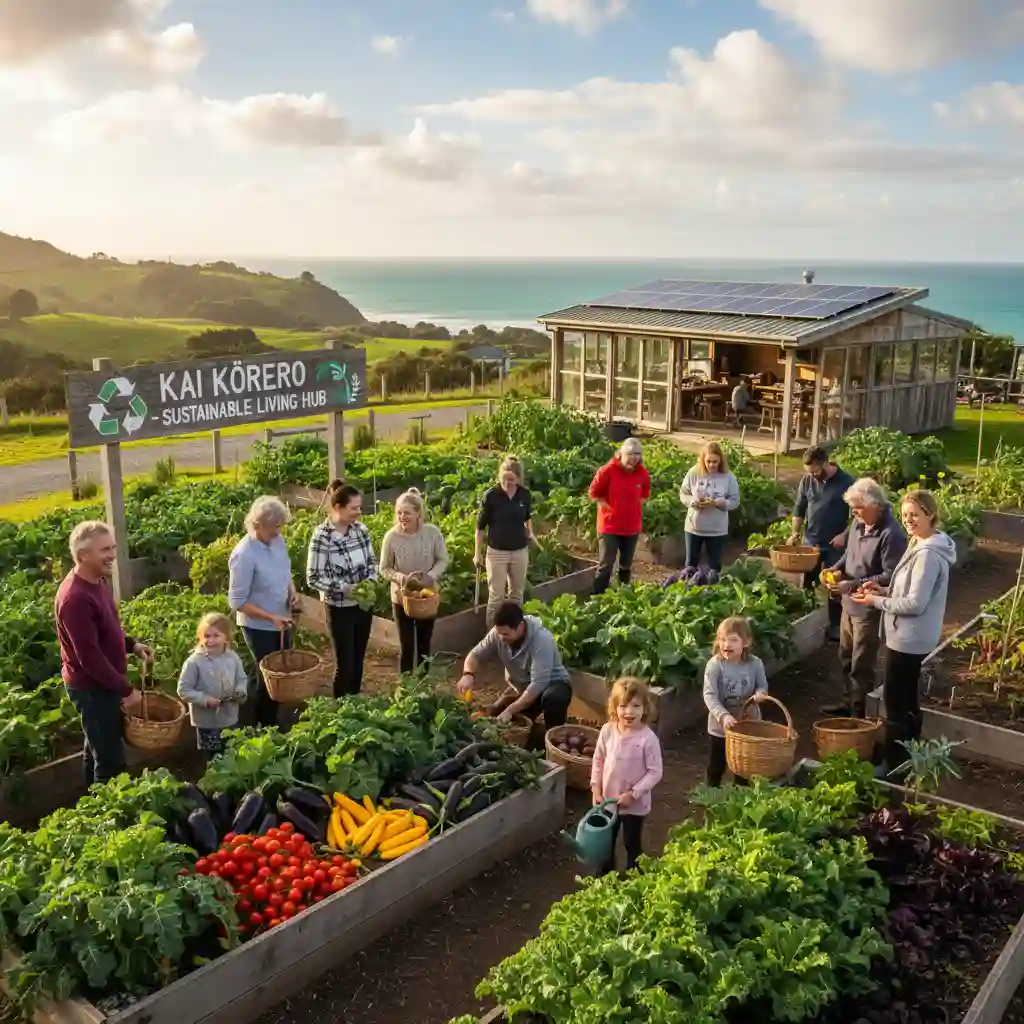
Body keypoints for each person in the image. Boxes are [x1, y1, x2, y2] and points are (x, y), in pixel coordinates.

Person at [852, 489, 956, 772]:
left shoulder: (928, 555)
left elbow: (915, 603)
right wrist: (884, 589)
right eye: (905, 515)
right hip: (910, 635)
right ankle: (911, 754)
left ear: (930, 515)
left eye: (915, 515)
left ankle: (894, 763)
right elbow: (909, 590)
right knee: (907, 698)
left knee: (895, 702)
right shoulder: (921, 543)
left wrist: (877, 601)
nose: (908, 520)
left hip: (909, 638)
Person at [54, 520, 153, 785]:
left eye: (113, 548)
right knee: (110, 761)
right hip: (92, 689)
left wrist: (131, 644)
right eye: (104, 550)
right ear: (83, 555)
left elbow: (107, 627)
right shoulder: (75, 598)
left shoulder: (96, 580)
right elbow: (90, 658)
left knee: (96, 747)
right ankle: (109, 816)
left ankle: (91, 803)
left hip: (102, 684)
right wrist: (126, 690)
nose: (112, 555)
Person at [821, 478, 907, 718]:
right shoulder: (859, 525)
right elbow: (849, 554)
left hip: (868, 608)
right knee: (845, 657)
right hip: (849, 604)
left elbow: (891, 575)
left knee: (862, 664)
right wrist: (834, 569)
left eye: (858, 507)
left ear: (875, 505)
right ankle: (848, 703)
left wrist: (855, 583)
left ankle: (860, 717)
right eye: (853, 507)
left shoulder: (891, 534)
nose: (854, 512)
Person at [228, 496, 300, 727]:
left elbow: (285, 570)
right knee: (268, 677)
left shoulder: (277, 541)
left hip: (282, 618)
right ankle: (262, 727)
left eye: (280, 525)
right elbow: (237, 601)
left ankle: (279, 720)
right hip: (257, 625)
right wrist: (270, 617)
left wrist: (293, 592)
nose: (278, 531)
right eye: (273, 526)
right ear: (257, 525)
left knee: (283, 674)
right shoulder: (244, 555)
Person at [306, 480, 379, 697]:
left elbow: (372, 562)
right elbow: (313, 577)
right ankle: (339, 709)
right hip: (338, 607)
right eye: (353, 508)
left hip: (363, 605)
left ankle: (354, 703)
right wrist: (343, 588)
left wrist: (370, 582)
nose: (358, 512)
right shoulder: (322, 537)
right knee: (345, 663)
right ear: (338, 507)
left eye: (359, 507)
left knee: (358, 659)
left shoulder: (360, 530)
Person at [458, 601, 572, 730]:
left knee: (553, 699)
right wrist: (468, 674)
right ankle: (531, 732)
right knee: (497, 716)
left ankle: (553, 736)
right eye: (499, 633)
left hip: (552, 684)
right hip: (523, 688)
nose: (501, 638)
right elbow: (475, 654)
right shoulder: (498, 634)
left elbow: (538, 684)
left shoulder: (541, 640)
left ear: (521, 627)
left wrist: (510, 710)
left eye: (506, 634)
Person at [590, 676, 663, 874]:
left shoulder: (648, 739)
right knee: (606, 841)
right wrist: (596, 788)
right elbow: (598, 760)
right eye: (623, 706)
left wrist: (633, 793)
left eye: (636, 706)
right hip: (607, 801)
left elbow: (655, 772)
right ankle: (606, 877)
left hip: (634, 806)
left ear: (645, 709)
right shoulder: (607, 731)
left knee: (631, 843)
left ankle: (635, 876)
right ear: (614, 708)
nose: (629, 712)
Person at [788, 445, 855, 641]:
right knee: (807, 582)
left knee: (834, 585)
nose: (813, 475)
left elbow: (857, 516)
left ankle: (835, 626)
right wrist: (794, 533)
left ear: (826, 462)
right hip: (811, 541)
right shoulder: (807, 480)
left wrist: (845, 534)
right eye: (809, 472)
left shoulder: (846, 482)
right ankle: (807, 621)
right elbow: (799, 509)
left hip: (835, 544)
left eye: (816, 471)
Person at [379, 488, 449, 674]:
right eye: (399, 513)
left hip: (427, 596)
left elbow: (443, 559)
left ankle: (423, 683)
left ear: (418, 513)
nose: (402, 517)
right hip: (401, 597)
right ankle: (407, 686)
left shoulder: (432, 533)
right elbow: (384, 568)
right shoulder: (391, 537)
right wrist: (401, 578)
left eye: (407, 513)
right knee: (407, 646)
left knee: (424, 644)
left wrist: (431, 576)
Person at [703, 615, 769, 787]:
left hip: (748, 723)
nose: (726, 645)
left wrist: (761, 694)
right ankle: (712, 795)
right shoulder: (715, 665)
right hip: (720, 727)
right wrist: (723, 716)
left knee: (743, 766)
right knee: (716, 764)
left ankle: (739, 798)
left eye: (733, 640)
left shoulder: (755, 664)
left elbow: (762, 686)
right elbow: (709, 695)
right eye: (722, 639)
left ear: (746, 642)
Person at [176, 612, 248, 761]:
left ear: (226, 636)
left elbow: (242, 678)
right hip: (207, 721)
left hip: (230, 716)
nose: (211, 640)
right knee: (213, 757)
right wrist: (205, 700)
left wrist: (240, 691)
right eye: (207, 636)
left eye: (216, 635)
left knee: (232, 751)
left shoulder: (232, 657)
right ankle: (213, 779)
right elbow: (183, 689)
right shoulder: (194, 662)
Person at [475, 457, 538, 625]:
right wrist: (477, 554)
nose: (507, 482)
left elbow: (527, 516)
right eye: (504, 478)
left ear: (518, 479)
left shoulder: (524, 495)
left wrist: (530, 532)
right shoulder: (491, 496)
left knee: (517, 595)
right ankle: (492, 636)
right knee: (496, 597)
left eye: (511, 479)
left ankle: (515, 631)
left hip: (519, 551)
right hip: (497, 553)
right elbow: (480, 527)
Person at [588, 438, 651, 595]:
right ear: (621, 454)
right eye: (630, 453)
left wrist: (632, 506)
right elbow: (593, 493)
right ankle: (598, 599)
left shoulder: (642, 474)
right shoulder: (607, 471)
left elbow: (644, 494)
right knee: (606, 565)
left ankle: (623, 597)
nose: (634, 458)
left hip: (631, 527)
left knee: (626, 565)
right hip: (609, 527)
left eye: (637, 454)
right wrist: (609, 508)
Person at [678, 440, 741, 572]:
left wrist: (722, 503)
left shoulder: (728, 477)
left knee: (714, 567)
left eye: (715, 462)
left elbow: (735, 501)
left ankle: (712, 589)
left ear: (720, 461)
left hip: (717, 530)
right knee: (690, 566)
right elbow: (684, 494)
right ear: (703, 460)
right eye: (708, 461)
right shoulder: (694, 473)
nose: (711, 465)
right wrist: (693, 501)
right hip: (694, 528)